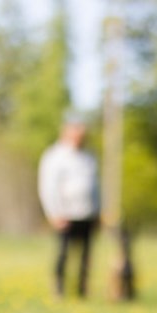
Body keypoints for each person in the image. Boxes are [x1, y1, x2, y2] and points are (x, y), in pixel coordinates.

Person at [37, 113, 100, 299]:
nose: (81, 136)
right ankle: (59, 288)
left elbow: (96, 186)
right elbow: (48, 187)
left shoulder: (89, 156)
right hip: (66, 213)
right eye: (77, 132)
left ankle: (82, 290)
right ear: (67, 132)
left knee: (85, 257)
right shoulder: (55, 156)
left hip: (87, 212)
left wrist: (98, 210)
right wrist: (54, 212)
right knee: (63, 254)